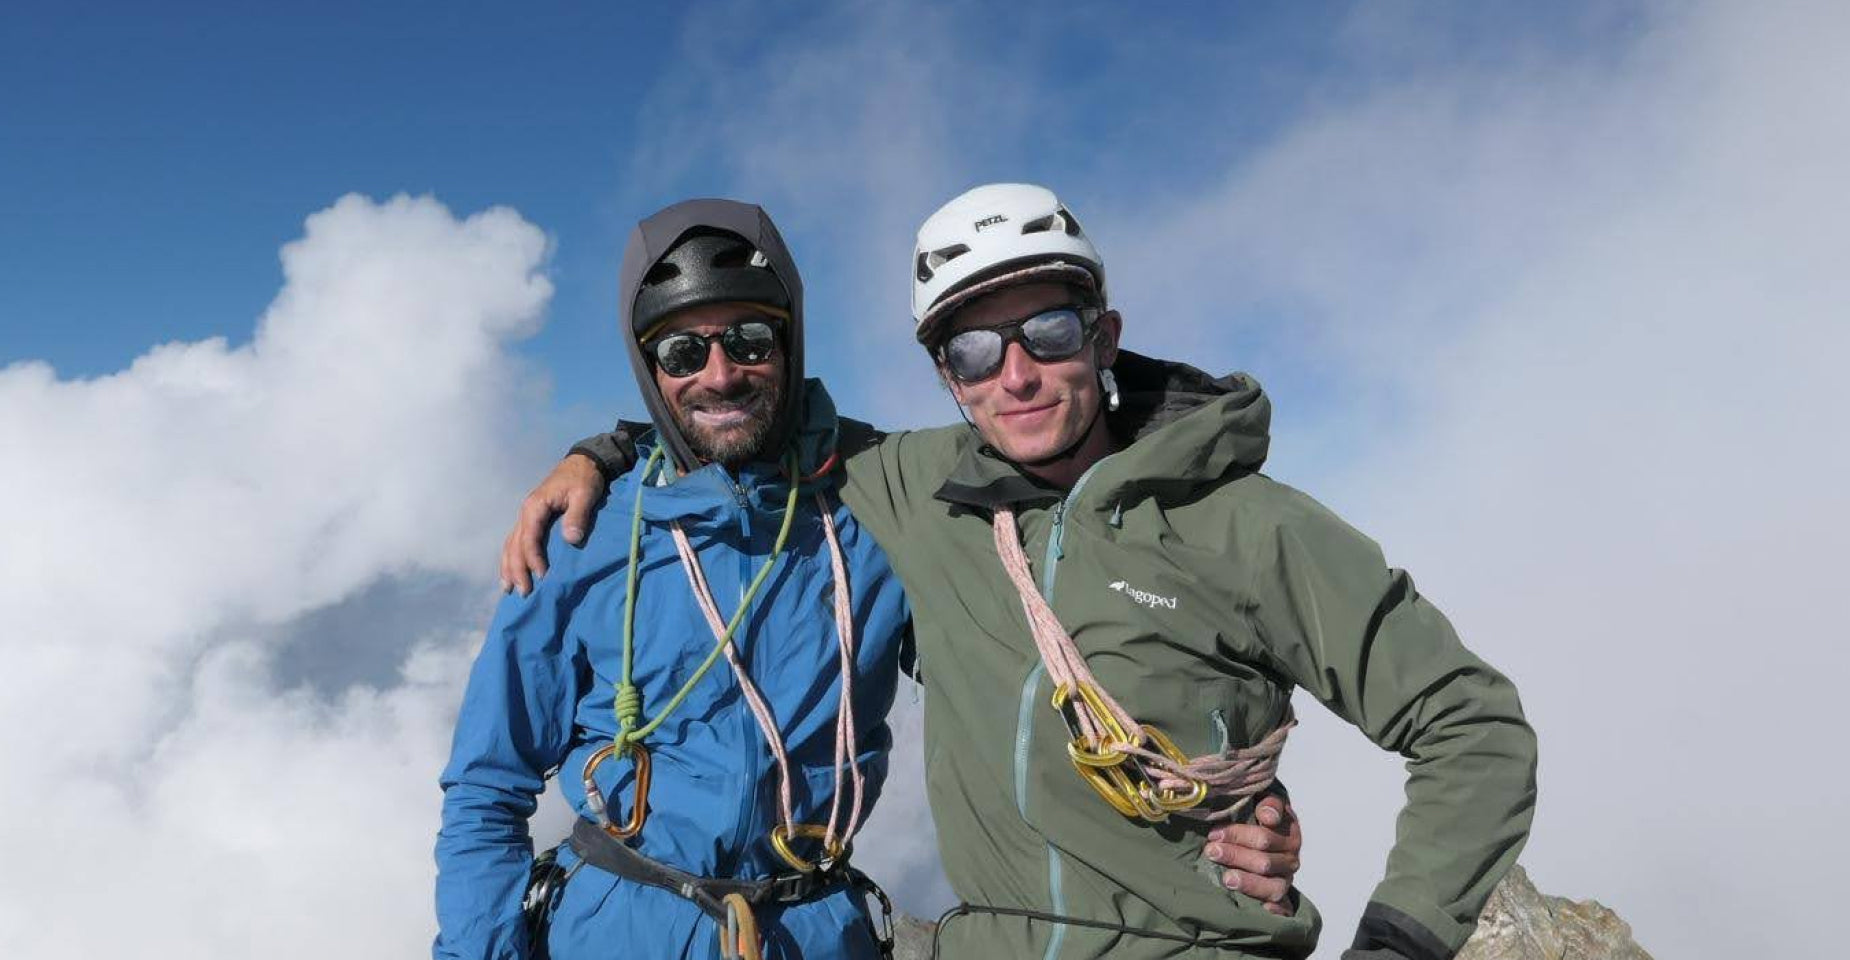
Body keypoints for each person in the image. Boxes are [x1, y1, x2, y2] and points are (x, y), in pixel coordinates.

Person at [521, 186, 1507, 960]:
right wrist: (602, 452)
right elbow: (741, 416)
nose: (1016, 375)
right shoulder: (916, 484)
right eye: (974, 350)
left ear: (1103, 336)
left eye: (1046, 331)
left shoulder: (1247, 528)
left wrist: (1400, 939)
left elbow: (1471, 724)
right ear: (946, 375)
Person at [435, 198, 913, 960]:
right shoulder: (585, 533)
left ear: (791, 346)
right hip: (616, 931)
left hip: (815, 931)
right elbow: (490, 783)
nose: (720, 375)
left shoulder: (880, 515)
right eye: (683, 354)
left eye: (750, 340)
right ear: (650, 371)